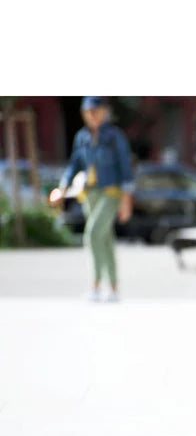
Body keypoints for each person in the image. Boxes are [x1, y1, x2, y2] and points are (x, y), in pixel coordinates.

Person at [49, 97, 134, 302]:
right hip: (90, 193)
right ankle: (112, 287)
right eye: (88, 112)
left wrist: (126, 200)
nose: (92, 115)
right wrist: (62, 188)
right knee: (104, 238)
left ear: (105, 112)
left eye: (96, 111)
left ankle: (96, 285)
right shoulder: (82, 137)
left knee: (93, 233)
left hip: (111, 193)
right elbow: (75, 165)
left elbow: (126, 169)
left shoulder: (114, 136)